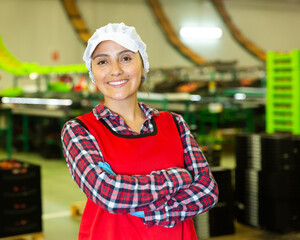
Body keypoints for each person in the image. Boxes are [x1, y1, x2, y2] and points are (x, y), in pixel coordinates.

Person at [61, 22, 218, 240]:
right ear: (93, 73)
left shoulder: (174, 123)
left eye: (126, 58)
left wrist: (153, 211)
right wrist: (178, 177)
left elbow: (207, 191)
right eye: (103, 61)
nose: (115, 70)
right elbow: (111, 195)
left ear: (142, 65)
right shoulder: (79, 130)